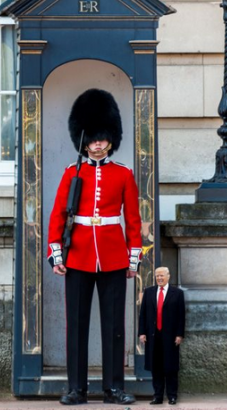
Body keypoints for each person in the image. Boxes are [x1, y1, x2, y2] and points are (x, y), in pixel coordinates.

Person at [47, 89, 142, 406]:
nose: (98, 144)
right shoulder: (71, 173)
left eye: (103, 138)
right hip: (78, 256)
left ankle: (113, 388)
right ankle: (77, 388)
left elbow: (133, 220)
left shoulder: (124, 175)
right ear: (84, 140)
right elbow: (58, 215)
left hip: (114, 257)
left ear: (111, 138)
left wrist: (133, 258)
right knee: (76, 326)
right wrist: (57, 254)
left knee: (114, 326)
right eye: (93, 139)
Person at [138, 267, 186, 405]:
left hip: (170, 337)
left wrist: (179, 334)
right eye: (157, 276)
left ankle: (172, 396)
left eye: (162, 275)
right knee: (156, 367)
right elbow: (143, 315)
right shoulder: (149, 292)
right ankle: (157, 396)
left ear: (168, 276)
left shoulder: (177, 293)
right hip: (153, 336)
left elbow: (181, 316)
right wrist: (142, 332)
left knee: (170, 367)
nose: (159, 278)